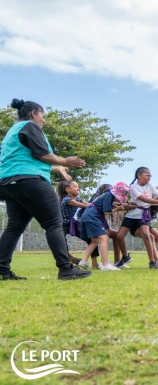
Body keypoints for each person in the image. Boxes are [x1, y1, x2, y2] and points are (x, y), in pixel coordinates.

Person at [0, 98, 91, 281]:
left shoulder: (12, 131)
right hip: (29, 180)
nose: (43, 119)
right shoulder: (30, 126)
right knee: (53, 223)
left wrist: (56, 168)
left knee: (14, 227)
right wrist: (65, 161)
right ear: (34, 113)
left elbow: (23, 159)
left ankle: (2, 270)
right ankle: (66, 269)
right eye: (42, 115)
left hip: (8, 183)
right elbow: (41, 154)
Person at [115, 167, 158, 269]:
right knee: (119, 236)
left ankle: (153, 262)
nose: (149, 177)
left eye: (150, 176)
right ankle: (125, 256)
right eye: (147, 175)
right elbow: (143, 199)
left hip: (143, 215)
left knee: (147, 235)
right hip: (132, 215)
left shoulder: (151, 185)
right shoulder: (133, 187)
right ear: (139, 175)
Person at [78, 183, 132, 270]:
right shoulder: (108, 195)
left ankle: (84, 261)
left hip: (87, 215)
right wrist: (118, 208)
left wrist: (116, 206)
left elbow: (103, 206)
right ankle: (105, 264)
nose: (119, 199)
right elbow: (106, 212)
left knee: (94, 241)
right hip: (92, 216)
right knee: (104, 238)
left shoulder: (106, 194)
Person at [57, 180, 92, 267]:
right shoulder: (67, 199)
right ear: (67, 189)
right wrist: (95, 206)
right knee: (62, 245)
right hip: (61, 225)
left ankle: (91, 262)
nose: (78, 188)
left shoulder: (78, 198)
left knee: (90, 239)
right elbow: (84, 205)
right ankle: (72, 260)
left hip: (72, 224)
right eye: (75, 187)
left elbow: (89, 204)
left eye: (78, 187)